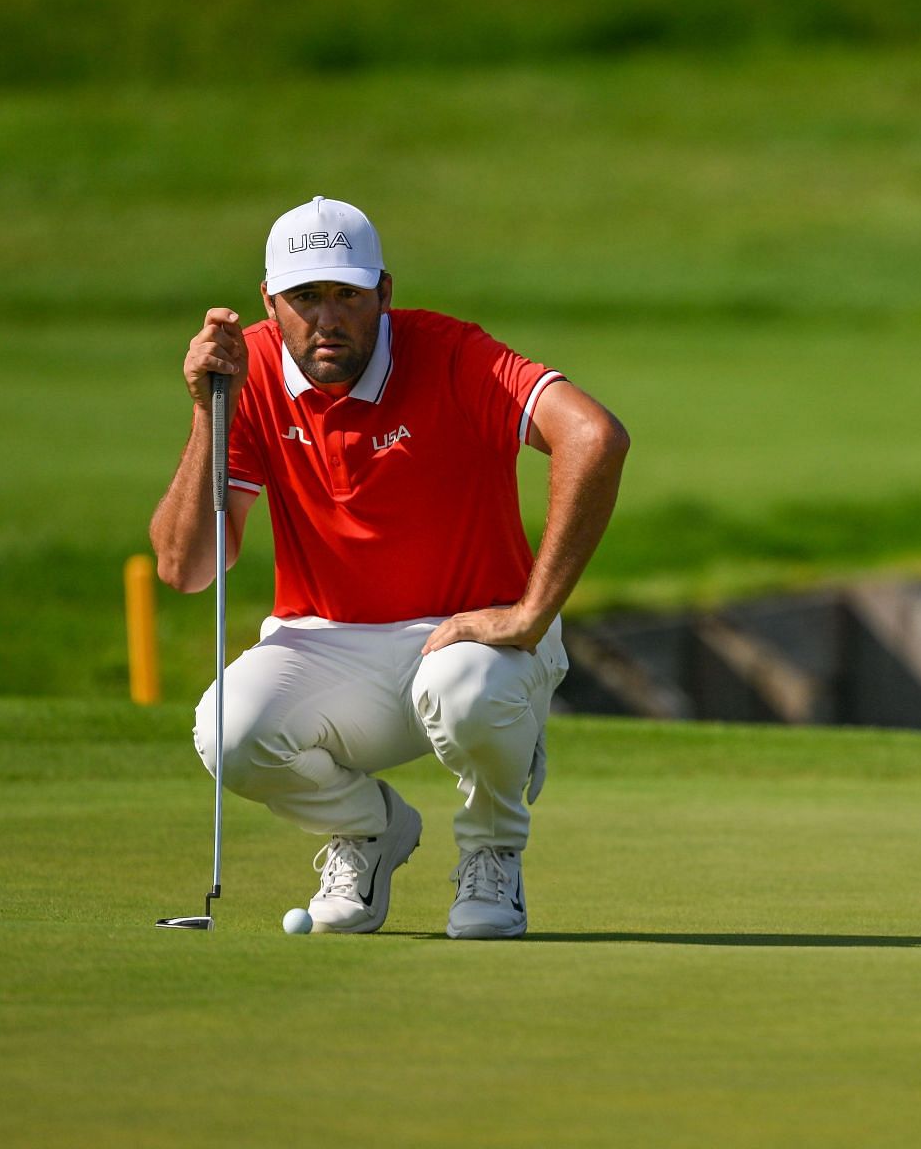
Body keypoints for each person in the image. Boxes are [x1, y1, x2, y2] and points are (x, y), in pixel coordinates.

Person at [149, 196, 628, 938]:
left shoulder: (453, 355)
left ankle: (493, 851)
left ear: (385, 294)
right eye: (305, 298)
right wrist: (208, 411)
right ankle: (372, 831)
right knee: (228, 732)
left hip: (472, 642)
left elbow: (594, 438)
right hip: (327, 645)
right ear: (269, 303)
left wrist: (530, 615)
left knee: (465, 687)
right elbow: (186, 570)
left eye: (347, 294)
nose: (327, 318)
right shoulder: (247, 377)